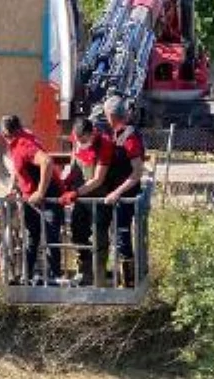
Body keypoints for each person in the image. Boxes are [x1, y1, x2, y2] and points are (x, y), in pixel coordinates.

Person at [0, 113, 63, 284]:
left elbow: (47, 162)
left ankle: (54, 278)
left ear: (6, 133)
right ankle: (26, 276)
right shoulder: (16, 141)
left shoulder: (24, 144)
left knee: (51, 238)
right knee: (31, 237)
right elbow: (17, 167)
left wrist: (40, 192)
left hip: (48, 198)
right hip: (30, 199)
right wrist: (13, 187)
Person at [59, 116, 114, 286]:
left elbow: (98, 179)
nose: (80, 143)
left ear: (91, 134)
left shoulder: (104, 144)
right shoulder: (76, 139)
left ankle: (99, 276)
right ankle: (85, 269)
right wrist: (66, 181)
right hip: (81, 198)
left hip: (99, 197)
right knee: (77, 232)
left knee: (99, 236)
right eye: (78, 139)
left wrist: (76, 193)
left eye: (83, 140)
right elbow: (74, 163)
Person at [101, 95, 146, 287]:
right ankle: (118, 276)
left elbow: (137, 172)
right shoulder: (116, 133)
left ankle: (128, 282)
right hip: (117, 194)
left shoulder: (129, 137)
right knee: (116, 235)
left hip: (125, 195)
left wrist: (117, 192)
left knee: (122, 235)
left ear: (110, 116)